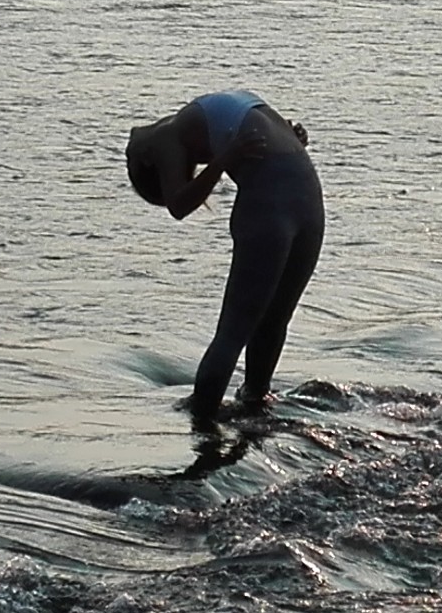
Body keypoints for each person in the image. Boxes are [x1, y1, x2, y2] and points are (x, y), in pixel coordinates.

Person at [126, 90, 324, 425]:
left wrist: (222, 161)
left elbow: (178, 205)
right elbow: (268, 139)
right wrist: (291, 139)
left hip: (271, 202)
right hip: (308, 196)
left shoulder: (157, 140)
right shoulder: (210, 111)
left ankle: (202, 419)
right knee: (273, 322)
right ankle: (255, 403)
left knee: (233, 332)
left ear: (146, 163)